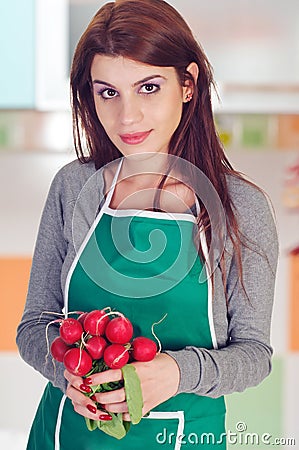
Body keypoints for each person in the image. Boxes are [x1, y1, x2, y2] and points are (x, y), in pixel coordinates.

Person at [16, 1, 279, 449]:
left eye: (149, 87)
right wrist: (68, 372)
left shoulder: (241, 208)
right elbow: (34, 325)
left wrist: (176, 373)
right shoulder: (73, 187)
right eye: (108, 92)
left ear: (188, 84)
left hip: (185, 435)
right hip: (66, 433)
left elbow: (254, 354)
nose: (128, 117)